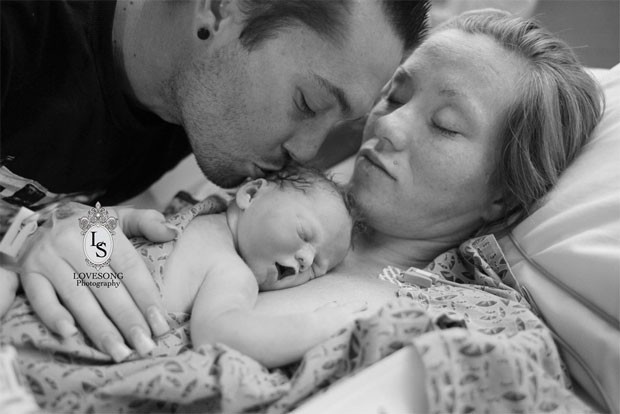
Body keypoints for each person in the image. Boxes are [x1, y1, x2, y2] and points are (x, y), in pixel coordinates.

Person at [0, 9, 604, 413]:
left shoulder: (466, 327)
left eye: (446, 125)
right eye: (394, 95)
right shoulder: (263, 197)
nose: (388, 127)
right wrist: (52, 229)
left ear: (503, 195)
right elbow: (103, 234)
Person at [0, 0, 430, 354]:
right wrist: (11, 247)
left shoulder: (196, 106)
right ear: (218, 9)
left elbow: (65, 223)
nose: (307, 151)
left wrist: (38, 230)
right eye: (308, 103)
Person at [128, 166, 360, 367]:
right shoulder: (203, 215)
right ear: (251, 194)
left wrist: (318, 327)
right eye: (304, 233)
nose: (306, 261)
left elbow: (216, 333)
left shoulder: (234, 272)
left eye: (316, 268)